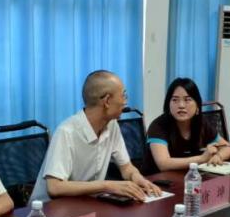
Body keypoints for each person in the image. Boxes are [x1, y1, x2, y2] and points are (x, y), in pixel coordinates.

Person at [31, 70, 161, 202]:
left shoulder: (112, 125)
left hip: (85, 203)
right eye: (123, 95)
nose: (125, 102)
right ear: (107, 101)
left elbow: (126, 167)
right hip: (48, 209)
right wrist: (107, 186)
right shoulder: (66, 132)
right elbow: (54, 187)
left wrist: (137, 177)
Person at [141, 77, 230, 174]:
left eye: (187, 100)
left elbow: (228, 148)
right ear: (168, 105)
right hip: (157, 180)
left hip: (189, 176)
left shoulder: (201, 122)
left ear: (197, 106)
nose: (181, 105)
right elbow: (164, 164)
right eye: (175, 100)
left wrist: (218, 156)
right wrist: (202, 159)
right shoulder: (158, 126)